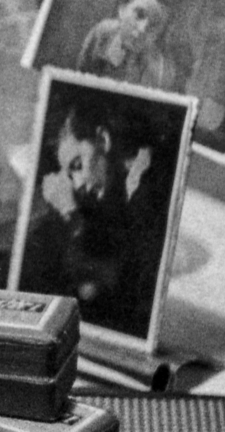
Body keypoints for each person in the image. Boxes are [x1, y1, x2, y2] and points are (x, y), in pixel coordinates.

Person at [18, 96, 167, 339]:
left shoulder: (149, 190)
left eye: (77, 165)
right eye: (70, 175)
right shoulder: (125, 197)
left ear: (102, 140)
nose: (77, 185)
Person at [76, 0, 181, 89]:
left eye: (154, 25)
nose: (142, 29)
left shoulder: (156, 69)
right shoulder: (102, 33)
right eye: (139, 15)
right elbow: (80, 75)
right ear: (122, 9)